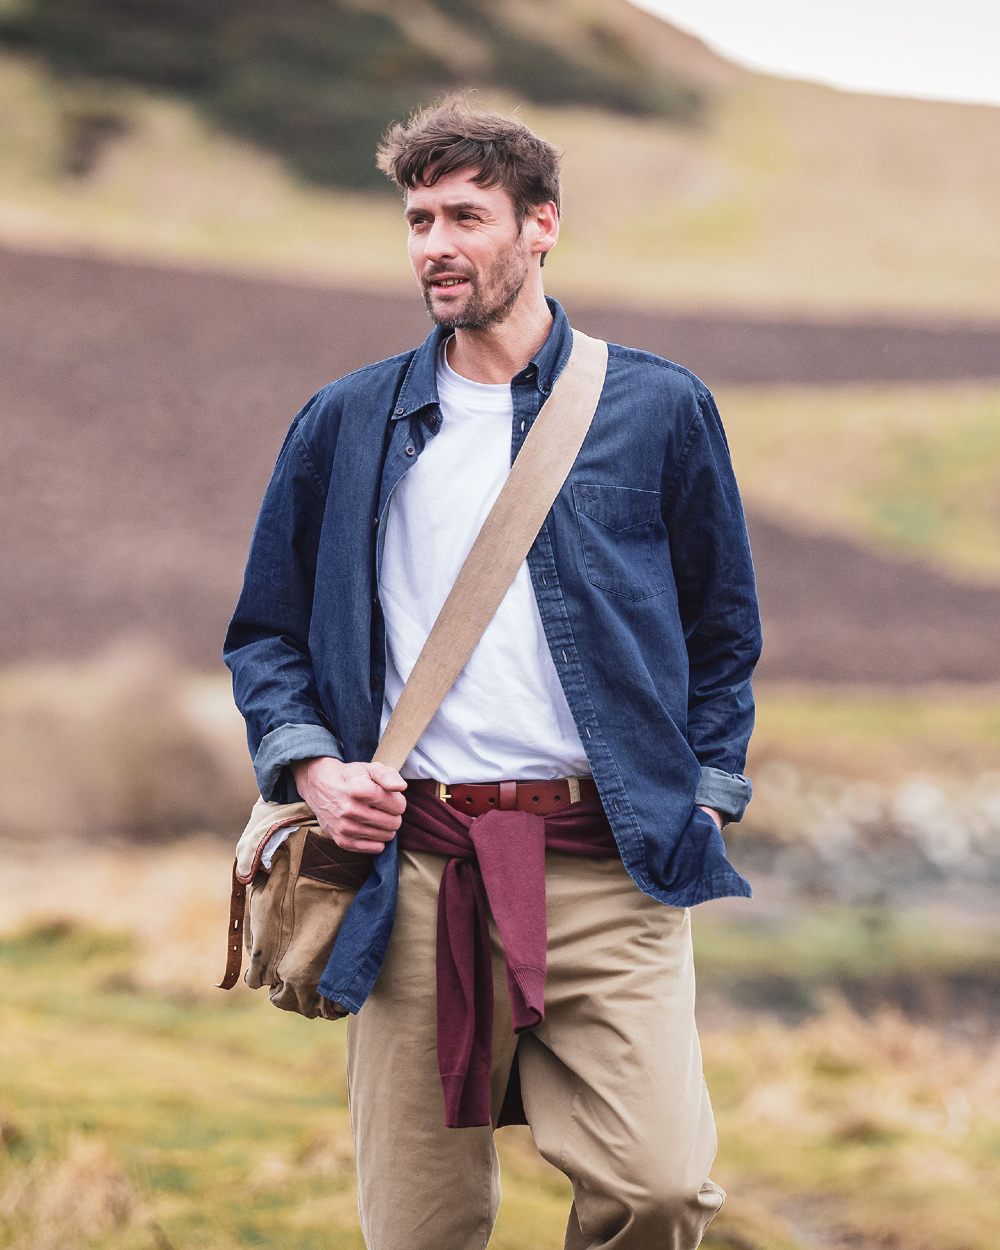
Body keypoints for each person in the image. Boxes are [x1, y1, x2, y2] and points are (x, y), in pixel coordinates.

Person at [224, 96, 762, 1250]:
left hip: (607, 862)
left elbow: (723, 632)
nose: (434, 245)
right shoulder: (344, 421)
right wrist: (311, 766)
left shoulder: (658, 409)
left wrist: (706, 792)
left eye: (465, 214)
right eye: (418, 218)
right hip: (413, 867)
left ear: (540, 225)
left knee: (659, 1187)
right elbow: (265, 634)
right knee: (420, 1226)